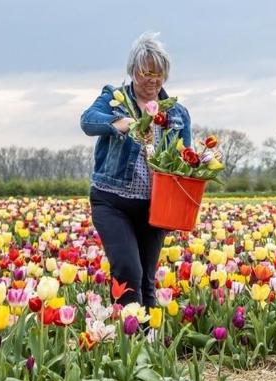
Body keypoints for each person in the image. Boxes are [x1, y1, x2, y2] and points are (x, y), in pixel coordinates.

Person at [80, 32, 193, 309]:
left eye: (159, 74)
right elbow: (87, 121)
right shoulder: (115, 99)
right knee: (129, 270)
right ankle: (127, 337)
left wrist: (197, 164)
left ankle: (146, 343)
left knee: (146, 279)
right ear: (133, 71)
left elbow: (185, 160)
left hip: (156, 206)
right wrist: (118, 123)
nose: (153, 80)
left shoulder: (176, 113)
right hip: (112, 201)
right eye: (146, 73)